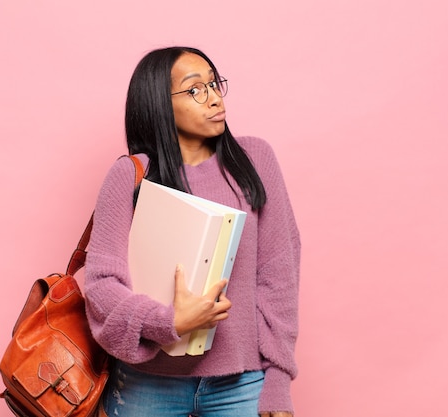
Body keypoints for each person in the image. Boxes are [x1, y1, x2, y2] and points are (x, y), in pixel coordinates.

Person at [84, 46, 300, 417]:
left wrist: (278, 380)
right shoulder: (130, 175)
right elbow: (101, 285)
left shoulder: (255, 160)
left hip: (242, 385)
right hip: (145, 384)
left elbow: (279, 275)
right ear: (158, 103)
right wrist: (168, 322)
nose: (215, 98)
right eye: (195, 89)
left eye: (214, 84)